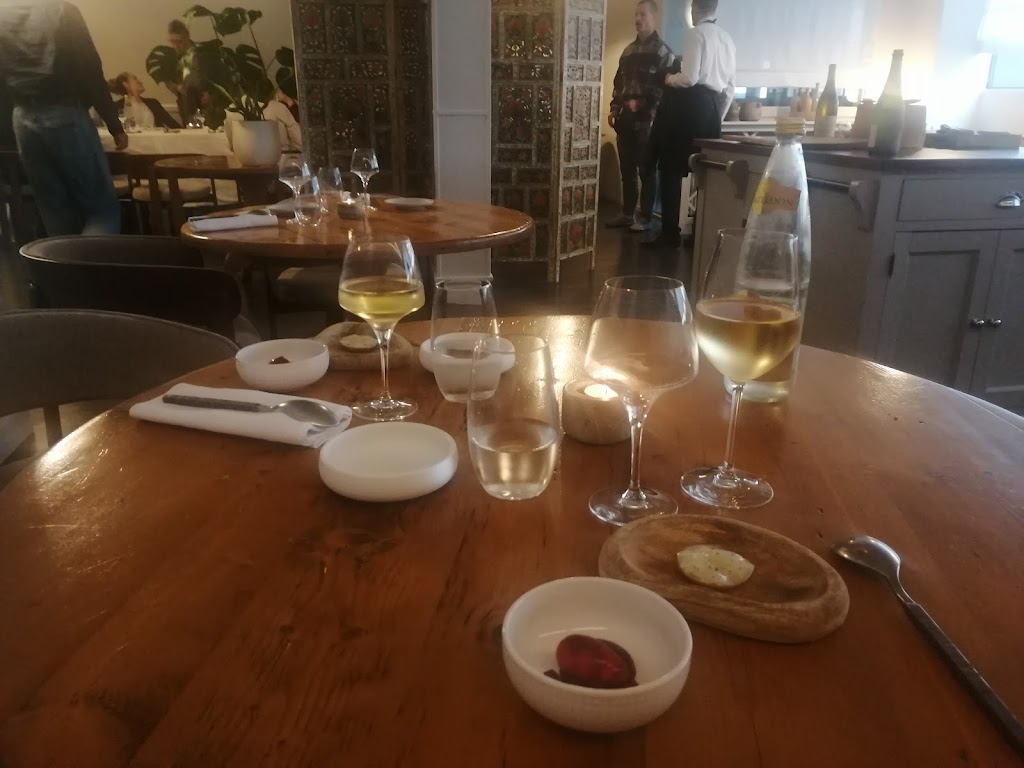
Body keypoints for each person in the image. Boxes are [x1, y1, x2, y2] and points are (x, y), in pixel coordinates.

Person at [0, 0, 127, 236]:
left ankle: (65, 260)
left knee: (54, 209)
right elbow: (89, 68)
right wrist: (114, 124)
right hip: (65, 112)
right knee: (101, 209)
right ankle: (92, 261)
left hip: (23, 118)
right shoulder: (62, 10)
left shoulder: (2, 16)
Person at [642, 0, 735, 249]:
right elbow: (730, 89)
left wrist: (668, 78)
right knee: (705, 175)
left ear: (694, 8)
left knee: (671, 170)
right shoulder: (727, 39)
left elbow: (689, 78)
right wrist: (716, 118)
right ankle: (699, 235)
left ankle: (670, 234)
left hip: (689, 109)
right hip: (711, 110)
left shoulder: (696, 34)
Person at [606, 0, 673, 234]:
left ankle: (645, 217)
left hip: (649, 122)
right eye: (636, 14)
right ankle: (627, 214)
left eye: (643, 14)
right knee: (627, 170)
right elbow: (619, 83)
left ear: (654, 17)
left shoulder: (663, 52)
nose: (638, 19)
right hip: (625, 120)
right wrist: (615, 108)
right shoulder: (628, 51)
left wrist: (642, 103)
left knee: (647, 169)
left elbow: (666, 89)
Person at [166, 19, 208, 123]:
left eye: (179, 41)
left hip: (206, 102)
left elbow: (216, 76)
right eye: (172, 42)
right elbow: (167, 79)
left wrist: (209, 93)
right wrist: (176, 87)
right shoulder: (171, 56)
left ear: (187, 37)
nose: (175, 46)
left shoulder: (202, 53)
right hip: (185, 104)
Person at [109, 72, 181, 130]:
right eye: (135, 79)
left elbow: (173, 124)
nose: (140, 82)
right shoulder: (117, 107)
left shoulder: (153, 103)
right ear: (126, 84)